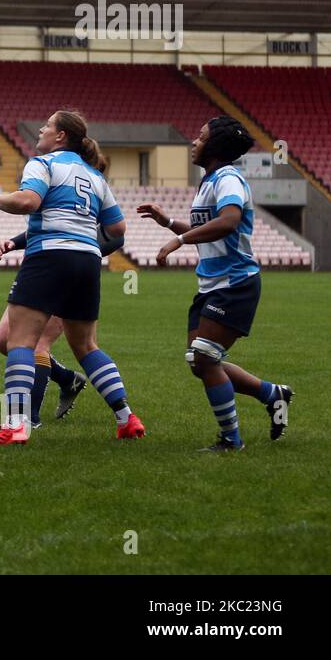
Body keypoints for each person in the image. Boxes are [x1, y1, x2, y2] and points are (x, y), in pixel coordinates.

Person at [0, 109, 144, 446]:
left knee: (20, 341)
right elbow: (118, 228)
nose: (41, 132)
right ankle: (126, 417)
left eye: (46, 126)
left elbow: (28, 201)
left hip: (49, 256)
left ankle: (16, 425)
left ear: (61, 135)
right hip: (88, 261)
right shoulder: (94, 177)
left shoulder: (43, 164)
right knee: (87, 346)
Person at [137, 116, 292, 452]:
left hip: (235, 282)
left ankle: (231, 440)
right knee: (200, 361)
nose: (194, 141)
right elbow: (207, 224)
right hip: (212, 284)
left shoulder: (229, 179)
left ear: (216, 146)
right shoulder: (209, 181)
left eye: (201, 136)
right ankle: (272, 394)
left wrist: (178, 242)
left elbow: (229, 221)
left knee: (205, 358)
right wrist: (169, 223)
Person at [0, 152, 124, 427]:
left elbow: (116, 234)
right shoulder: (75, 191)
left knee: (35, 343)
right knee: (5, 339)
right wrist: (15, 243)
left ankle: (30, 420)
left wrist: (83, 250)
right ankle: (67, 378)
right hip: (47, 264)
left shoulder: (85, 195)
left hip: (60, 268)